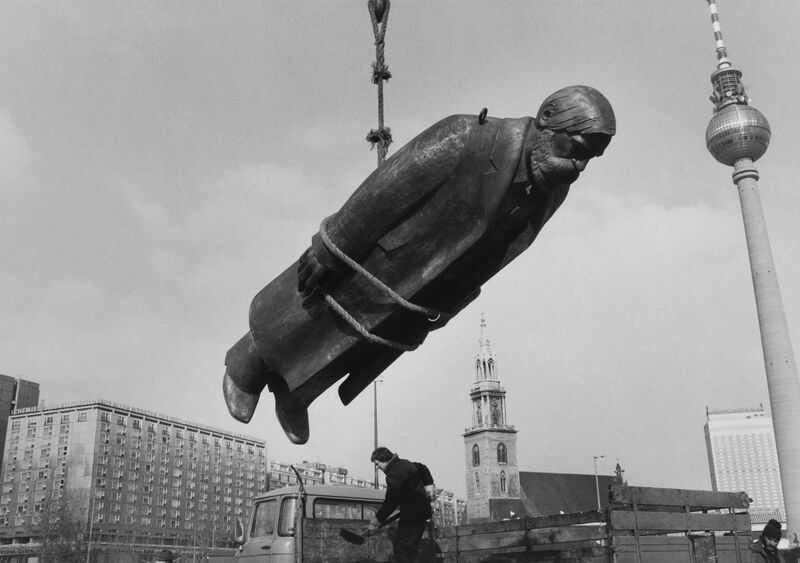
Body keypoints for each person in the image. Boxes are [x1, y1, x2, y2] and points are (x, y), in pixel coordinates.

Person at [223, 85, 616, 444]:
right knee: (310, 314)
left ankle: (296, 394)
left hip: (429, 286)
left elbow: (499, 256)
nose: (580, 165)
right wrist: (332, 245)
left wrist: (450, 304)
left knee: (356, 344)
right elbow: (384, 190)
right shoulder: (467, 135)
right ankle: (245, 368)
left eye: (590, 158)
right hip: (386, 254)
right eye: (577, 148)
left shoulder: (551, 192)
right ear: (548, 119)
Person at [370, 447, 432, 563]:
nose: (378, 468)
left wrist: (377, 519)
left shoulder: (394, 474)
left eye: (378, 464)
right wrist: (429, 485)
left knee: (402, 548)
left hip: (412, 514)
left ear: (384, 459)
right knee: (410, 548)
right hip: (420, 512)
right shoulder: (405, 463)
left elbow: (391, 502)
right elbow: (422, 467)